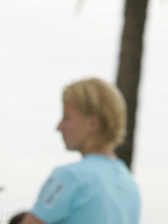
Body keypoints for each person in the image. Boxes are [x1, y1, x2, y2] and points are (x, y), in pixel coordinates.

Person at [21, 78, 140, 224]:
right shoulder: (129, 184)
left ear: (92, 124)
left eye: (67, 117)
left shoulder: (70, 177)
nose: (59, 127)